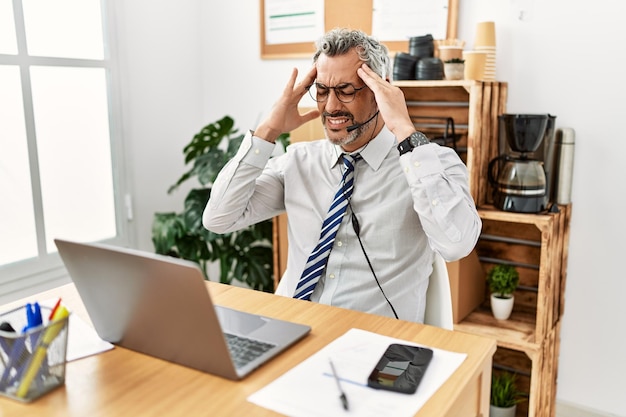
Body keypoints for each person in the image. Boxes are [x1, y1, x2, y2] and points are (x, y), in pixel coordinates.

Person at [203, 28, 481, 322]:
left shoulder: (430, 164)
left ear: (380, 92)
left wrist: (405, 131)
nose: (332, 107)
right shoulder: (299, 161)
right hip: (290, 328)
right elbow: (219, 218)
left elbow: (457, 244)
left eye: (346, 91)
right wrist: (268, 130)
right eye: (322, 91)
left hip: (373, 345)